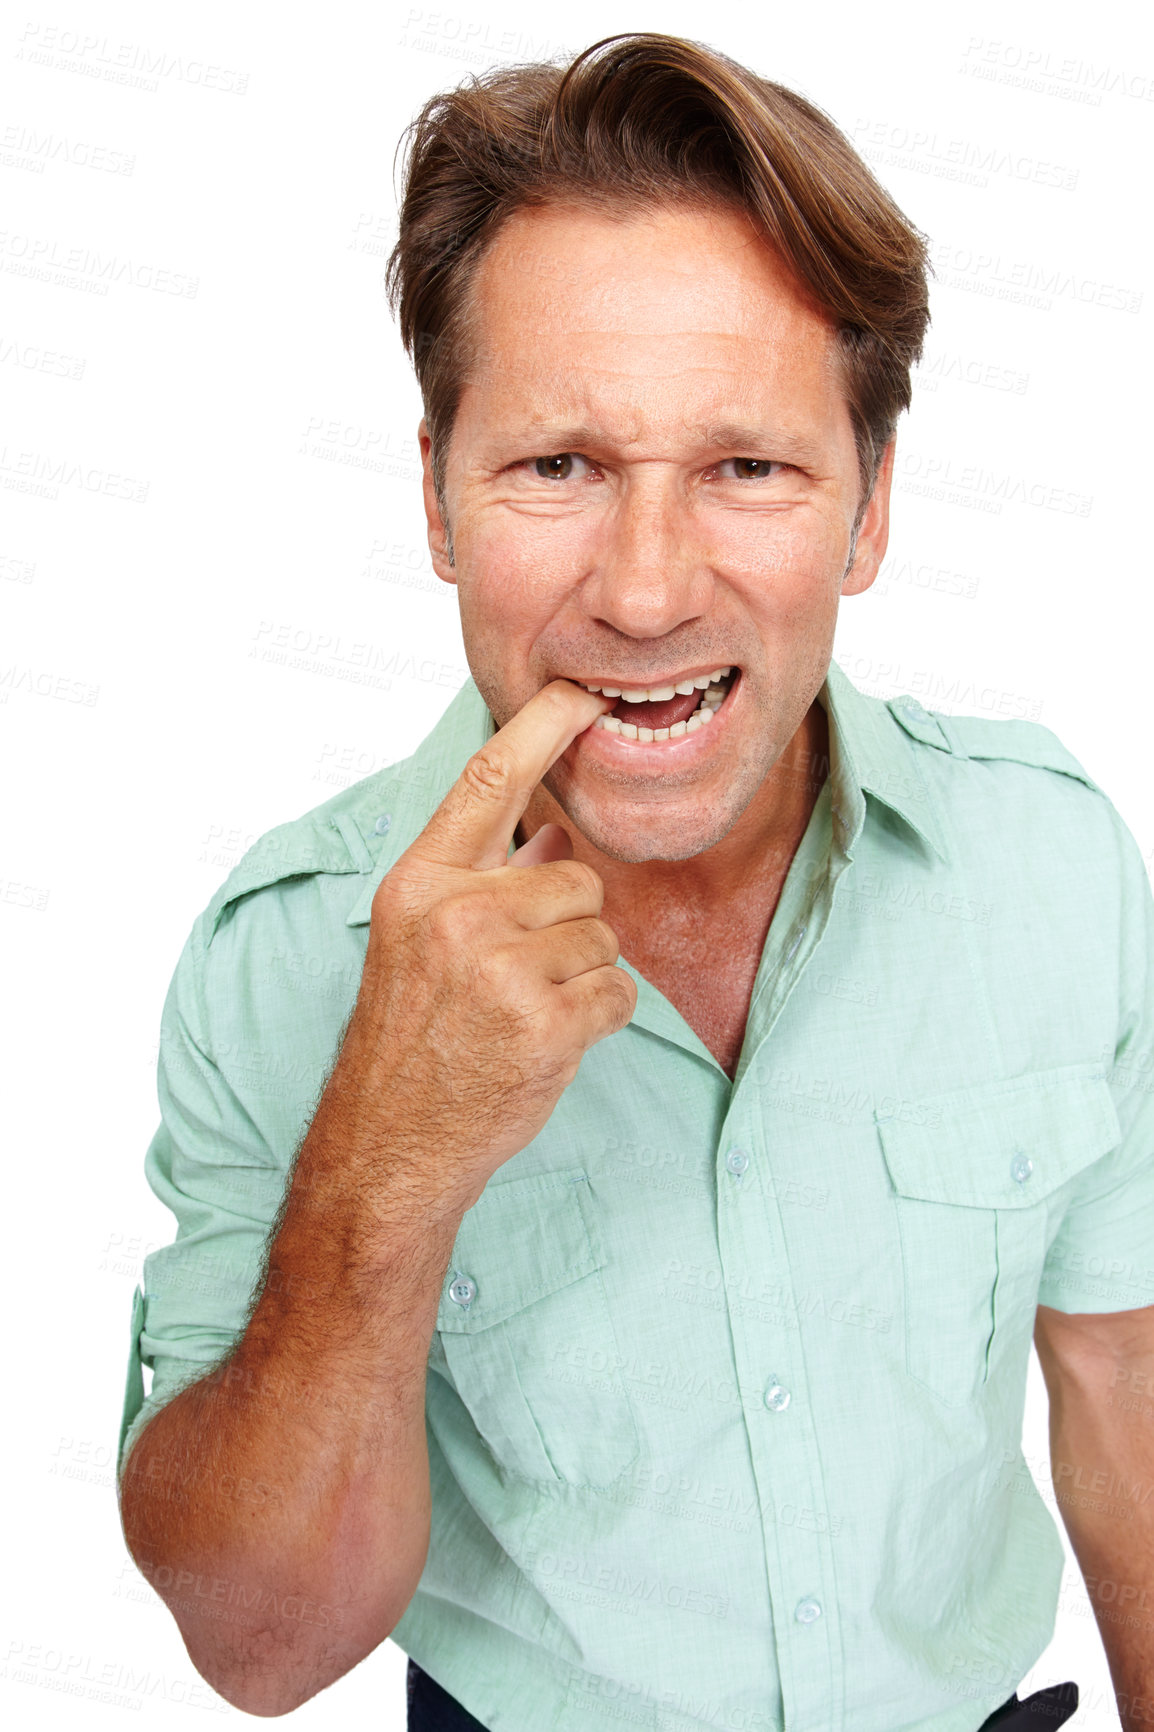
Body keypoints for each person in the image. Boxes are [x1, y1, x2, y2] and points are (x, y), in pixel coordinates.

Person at [116, 31, 1154, 1732]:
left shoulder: (1049, 861)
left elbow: (1118, 1380)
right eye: (559, 466)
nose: (650, 590)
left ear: (868, 506)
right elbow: (259, 1647)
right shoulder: (283, 949)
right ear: (441, 497)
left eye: (745, 466)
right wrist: (390, 1138)